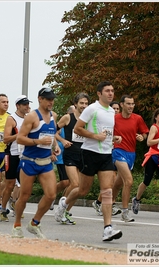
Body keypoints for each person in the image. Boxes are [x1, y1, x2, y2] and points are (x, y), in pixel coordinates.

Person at [55, 81, 123, 242]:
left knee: (107, 190)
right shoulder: (92, 108)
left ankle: (108, 228)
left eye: (112, 90)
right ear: (99, 93)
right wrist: (95, 137)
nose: (111, 93)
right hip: (90, 153)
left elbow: (104, 133)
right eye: (107, 90)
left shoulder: (111, 112)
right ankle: (64, 203)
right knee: (82, 190)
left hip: (106, 154)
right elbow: (78, 129)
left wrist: (114, 138)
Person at [11, 87, 61, 239]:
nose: (50, 102)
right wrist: (38, 141)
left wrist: (55, 146)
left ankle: (34, 223)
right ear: (40, 99)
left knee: (51, 195)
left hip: (46, 161)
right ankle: (17, 225)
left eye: (52, 99)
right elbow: (20, 138)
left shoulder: (54, 115)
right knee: (24, 196)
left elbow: (52, 135)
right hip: (29, 161)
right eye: (47, 99)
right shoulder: (32, 117)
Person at [93, 95, 149, 222]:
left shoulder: (137, 118)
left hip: (131, 154)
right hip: (117, 151)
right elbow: (105, 132)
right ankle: (125, 212)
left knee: (117, 184)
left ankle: (104, 203)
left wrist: (142, 137)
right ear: (122, 105)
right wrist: (112, 138)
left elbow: (144, 133)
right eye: (128, 104)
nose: (131, 106)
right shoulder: (114, 118)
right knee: (128, 181)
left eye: (133, 104)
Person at [132, 107, 159, 217]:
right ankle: (136, 199)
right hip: (153, 157)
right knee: (146, 181)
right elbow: (149, 142)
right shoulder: (154, 128)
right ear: (156, 117)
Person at [55, 92, 90, 224]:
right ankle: (62, 208)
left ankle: (66, 210)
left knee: (80, 188)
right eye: (81, 103)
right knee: (74, 183)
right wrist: (62, 141)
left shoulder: (89, 119)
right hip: (70, 155)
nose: (84, 106)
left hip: (84, 155)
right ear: (75, 104)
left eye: (86, 103)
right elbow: (54, 131)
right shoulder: (67, 117)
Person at [0, 95, 31, 222]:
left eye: (28, 104)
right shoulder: (11, 119)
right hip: (12, 154)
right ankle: (2, 210)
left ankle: (16, 204)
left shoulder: (30, 118)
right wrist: (20, 135)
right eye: (24, 104)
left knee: (25, 184)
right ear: (18, 106)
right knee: (10, 184)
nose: (27, 107)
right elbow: (6, 139)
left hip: (26, 154)